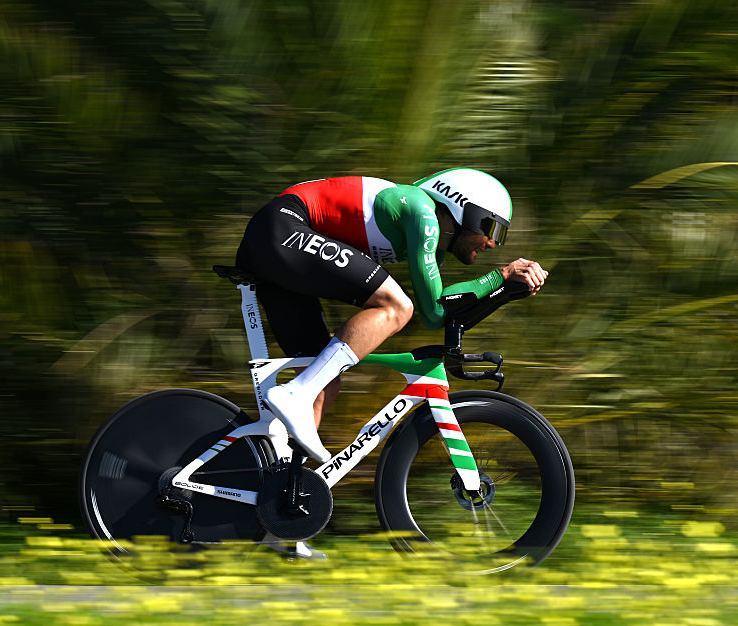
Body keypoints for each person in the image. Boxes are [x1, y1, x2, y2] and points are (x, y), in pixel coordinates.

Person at [234, 168, 548, 464]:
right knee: (396, 307)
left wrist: (504, 290)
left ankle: (276, 482)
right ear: (463, 207)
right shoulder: (421, 212)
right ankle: (295, 393)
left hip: (278, 243)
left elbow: (436, 314)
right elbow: (421, 309)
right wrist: (501, 275)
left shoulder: (432, 241)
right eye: (491, 229)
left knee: (324, 380)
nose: (493, 243)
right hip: (282, 226)